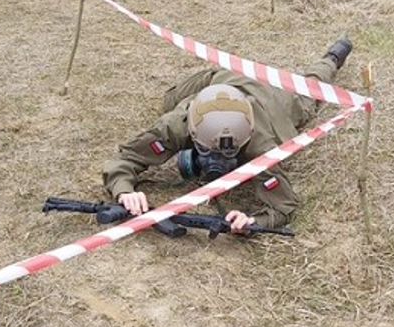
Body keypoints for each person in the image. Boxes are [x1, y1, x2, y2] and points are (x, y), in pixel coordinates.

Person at [105, 38, 353, 232]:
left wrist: (253, 221)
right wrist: (124, 189)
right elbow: (126, 158)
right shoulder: (178, 121)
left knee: (312, 87)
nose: (216, 160)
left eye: (229, 152)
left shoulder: (262, 146)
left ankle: (333, 56)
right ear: (192, 131)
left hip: (275, 98)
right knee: (168, 99)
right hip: (224, 78)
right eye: (206, 150)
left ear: (246, 139)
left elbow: (284, 206)